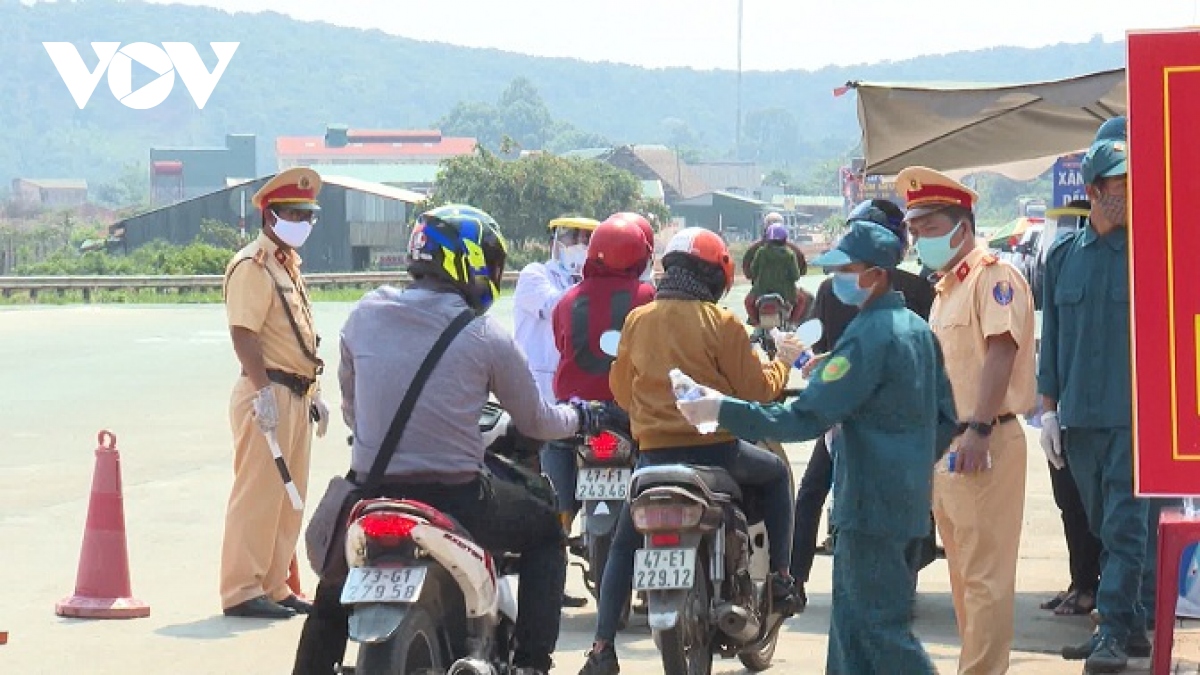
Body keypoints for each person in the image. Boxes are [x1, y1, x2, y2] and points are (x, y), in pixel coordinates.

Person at [292, 204, 609, 675]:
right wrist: (581, 418)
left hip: (371, 491)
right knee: (546, 530)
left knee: (333, 592)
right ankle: (531, 664)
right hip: (457, 497)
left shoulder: (363, 314)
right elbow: (538, 422)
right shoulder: (483, 334)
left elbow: (354, 411)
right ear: (469, 263)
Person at [680, 220, 958, 675]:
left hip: (867, 505)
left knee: (877, 632)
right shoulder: (917, 331)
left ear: (877, 273)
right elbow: (947, 419)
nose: (837, 281)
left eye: (846, 269)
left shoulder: (868, 336)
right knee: (852, 633)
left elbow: (803, 417)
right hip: (905, 501)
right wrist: (907, 460)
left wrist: (719, 409)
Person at [577, 227, 804, 675]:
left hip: (653, 460)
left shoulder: (638, 321)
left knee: (624, 544)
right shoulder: (721, 323)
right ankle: (781, 580)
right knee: (777, 474)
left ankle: (603, 647)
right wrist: (784, 361)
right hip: (717, 454)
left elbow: (621, 390)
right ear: (716, 275)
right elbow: (756, 390)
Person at [899, 165, 1037, 675]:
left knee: (984, 577)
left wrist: (978, 428)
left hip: (987, 439)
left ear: (962, 225)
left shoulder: (993, 277)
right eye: (915, 230)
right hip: (950, 444)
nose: (920, 239)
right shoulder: (946, 289)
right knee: (961, 573)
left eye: (929, 227)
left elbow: (1000, 353)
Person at [1039, 116, 1161, 671]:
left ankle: (1112, 631)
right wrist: (1048, 412)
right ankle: (1132, 626)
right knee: (1102, 526)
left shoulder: (1150, 256)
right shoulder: (1064, 256)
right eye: (1121, 185)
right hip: (1081, 419)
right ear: (1093, 192)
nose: (1132, 194)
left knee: (1125, 525)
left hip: (1134, 418)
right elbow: (1054, 341)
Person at [789, 198, 938, 606]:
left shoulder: (830, 287)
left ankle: (794, 580)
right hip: (898, 413)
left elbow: (815, 348)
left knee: (811, 490)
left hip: (843, 411)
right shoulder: (919, 289)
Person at [220, 167, 330, 619]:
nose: (303, 222)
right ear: (271, 216)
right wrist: (263, 393)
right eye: (295, 213)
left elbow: (297, 336)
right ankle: (242, 588)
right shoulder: (253, 265)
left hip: (296, 394)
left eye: (308, 215)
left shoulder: (288, 266)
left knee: (289, 496)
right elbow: (244, 332)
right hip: (268, 392)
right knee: (259, 494)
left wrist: (316, 391)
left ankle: (275, 584)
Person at [544, 212, 655, 550]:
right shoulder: (648, 297)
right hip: (628, 416)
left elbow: (561, 345)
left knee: (554, 448)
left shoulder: (566, 300)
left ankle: (560, 516)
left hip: (576, 416)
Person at [514, 217, 598, 403]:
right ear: (554, 242)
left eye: (586, 240)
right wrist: (594, 283)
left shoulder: (591, 286)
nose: (579, 245)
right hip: (534, 385)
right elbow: (556, 307)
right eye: (572, 238)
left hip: (575, 389)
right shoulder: (534, 274)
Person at [744, 222, 806, 326]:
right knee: (802, 300)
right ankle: (792, 324)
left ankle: (757, 324)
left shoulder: (760, 252)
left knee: (748, 302)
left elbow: (753, 271)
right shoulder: (790, 254)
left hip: (761, 291)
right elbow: (796, 276)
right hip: (786, 294)